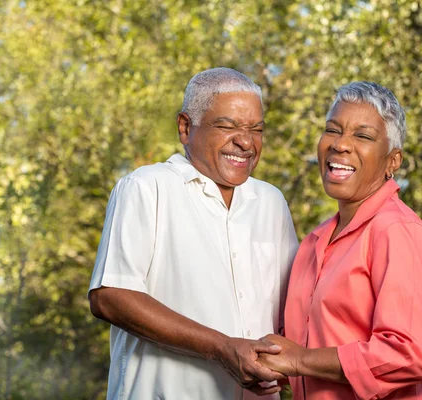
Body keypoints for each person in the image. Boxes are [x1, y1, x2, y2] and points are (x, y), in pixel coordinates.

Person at [88, 67, 299, 400]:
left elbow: (290, 310)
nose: (245, 142)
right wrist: (222, 348)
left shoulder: (271, 202)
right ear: (185, 128)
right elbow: (110, 297)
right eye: (227, 126)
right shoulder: (146, 188)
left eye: (255, 129)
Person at [258, 82, 422, 399]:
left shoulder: (398, 233)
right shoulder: (313, 243)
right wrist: (276, 367)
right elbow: (312, 344)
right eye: (333, 130)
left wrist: (299, 360)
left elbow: (407, 354)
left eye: (362, 136)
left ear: (393, 161)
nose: (340, 145)